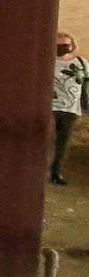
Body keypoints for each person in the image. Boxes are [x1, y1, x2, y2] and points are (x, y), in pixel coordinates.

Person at [51, 31, 87, 187]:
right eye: (59, 45)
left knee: (62, 143)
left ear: (72, 45)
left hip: (71, 109)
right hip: (49, 107)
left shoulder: (81, 63)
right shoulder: (46, 61)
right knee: (45, 140)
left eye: (66, 45)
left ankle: (55, 172)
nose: (62, 48)